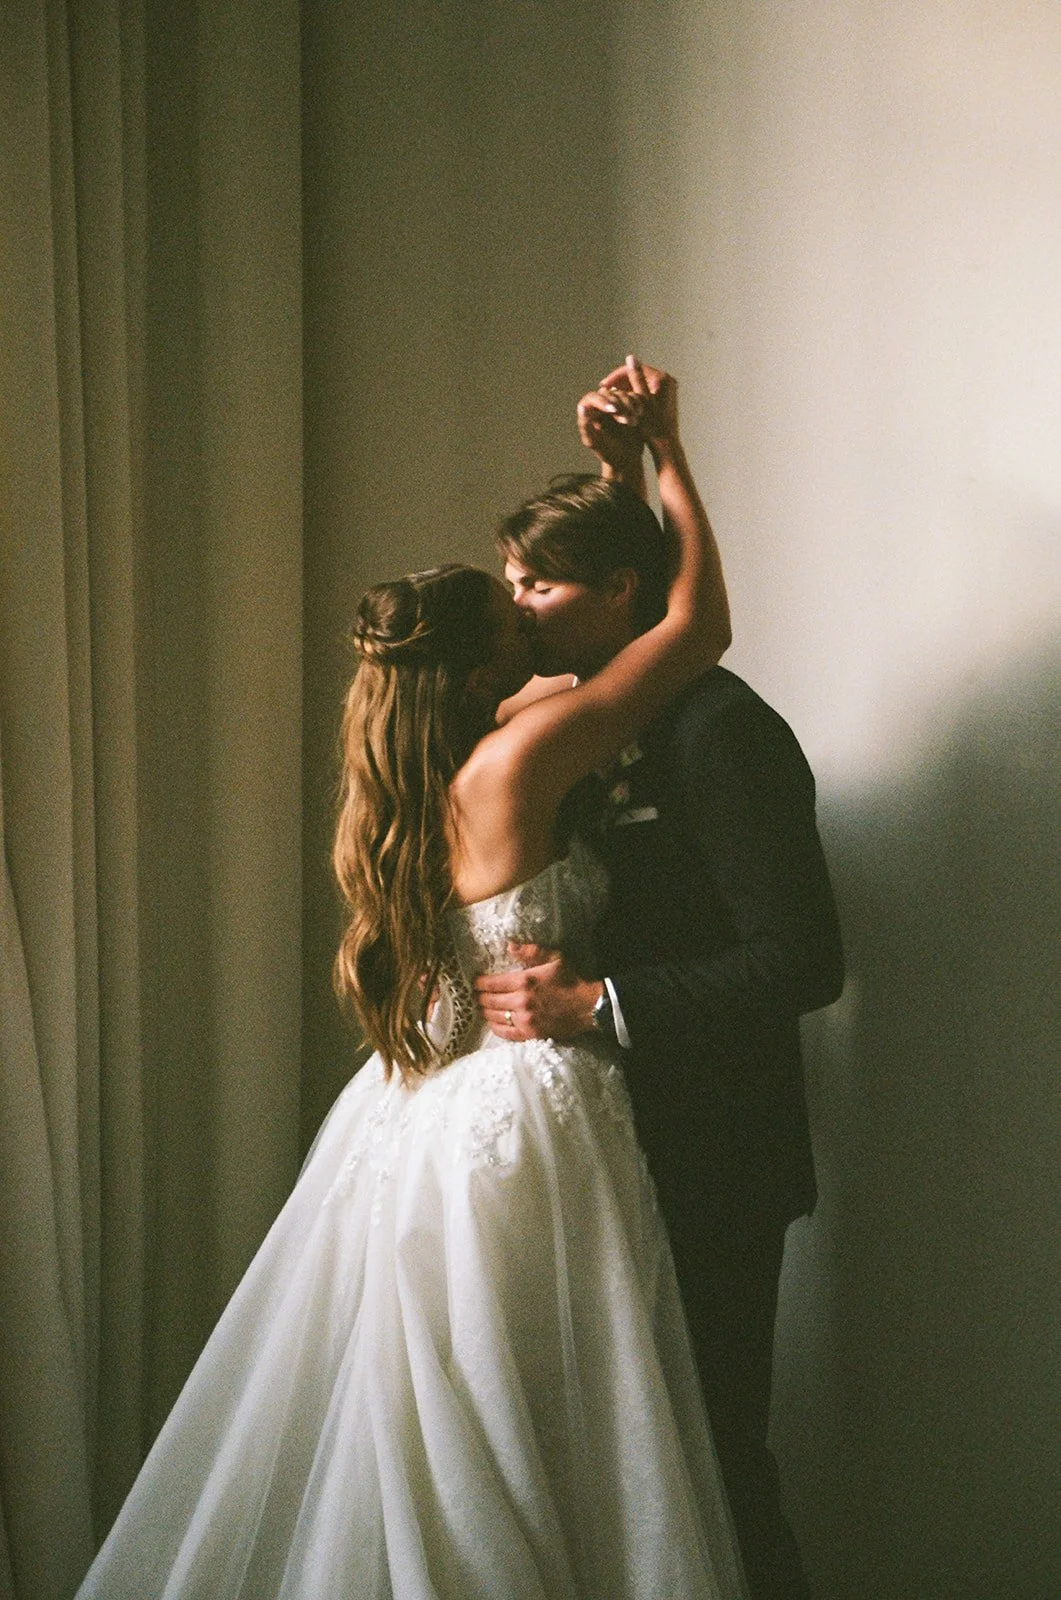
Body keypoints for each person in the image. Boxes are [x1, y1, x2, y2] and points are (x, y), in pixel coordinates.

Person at [74, 358, 748, 1600]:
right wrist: (670, 454)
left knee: (470, 1412)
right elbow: (689, 629)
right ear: (485, 665)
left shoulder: (421, 773)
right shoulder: (517, 760)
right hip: (529, 1111)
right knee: (555, 1410)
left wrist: (614, 476)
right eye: (512, 613)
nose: (530, 615)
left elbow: (607, 616)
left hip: (425, 1108)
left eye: (531, 593)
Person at [477, 360, 845, 1600]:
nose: (517, 608)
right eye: (509, 582)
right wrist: (620, 469)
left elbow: (801, 958)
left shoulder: (719, 732)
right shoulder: (584, 715)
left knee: (714, 1459)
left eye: (538, 584)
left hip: (715, 1156)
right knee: (623, 1470)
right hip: (602, 1146)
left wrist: (597, 1005)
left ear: (619, 593)